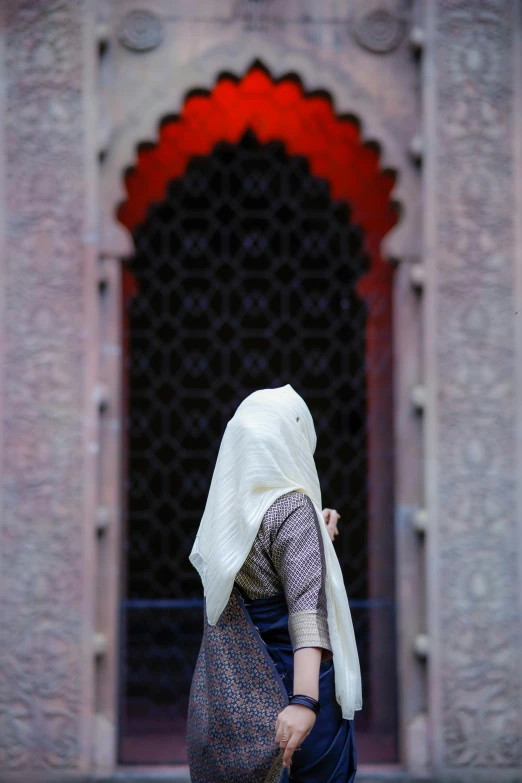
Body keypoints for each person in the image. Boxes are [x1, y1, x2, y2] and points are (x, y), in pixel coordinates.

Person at [187, 384, 362, 782]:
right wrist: (304, 701)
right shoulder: (292, 506)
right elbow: (304, 606)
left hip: (240, 686)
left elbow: (272, 569)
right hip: (295, 678)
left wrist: (318, 536)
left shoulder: (225, 514)